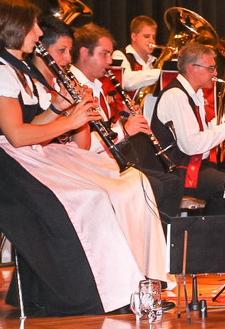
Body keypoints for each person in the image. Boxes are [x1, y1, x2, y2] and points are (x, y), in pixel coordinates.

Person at [0, 0, 160, 315]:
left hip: (21, 156)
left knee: (110, 187)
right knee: (90, 197)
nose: (37, 32)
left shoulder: (19, 71)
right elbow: (16, 135)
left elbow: (33, 124)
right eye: (33, 25)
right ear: (14, 27)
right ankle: (100, 293)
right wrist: (70, 121)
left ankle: (126, 286)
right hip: (0, 165)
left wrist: (61, 108)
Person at [71, 23, 184, 230]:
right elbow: (80, 144)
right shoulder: (74, 87)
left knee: (172, 183)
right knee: (155, 187)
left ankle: (163, 242)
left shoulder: (98, 86)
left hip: (107, 160)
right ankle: (138, 239)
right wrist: (124, 130)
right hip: (88, 165)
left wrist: (123, 120)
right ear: (84, 53)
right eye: (104, 54)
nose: (109, 61)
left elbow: (103, 128)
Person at [151, 41, 225, 215]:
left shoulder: (194, 94)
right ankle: (213, 232)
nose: (215, 73)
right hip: (175, 169)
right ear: (192, 68)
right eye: (210, 68)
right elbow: (192, 145)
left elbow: (204, 131)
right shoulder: (176, 95)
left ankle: (215, 230)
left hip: (193, 164)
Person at [111, 15, 161, 93]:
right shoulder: (119, 55)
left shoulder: (155, 61)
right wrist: (159, 73)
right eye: (147, 36)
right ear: (134, 37)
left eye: (153, 37)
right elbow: (126, 81)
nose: (152, 41)